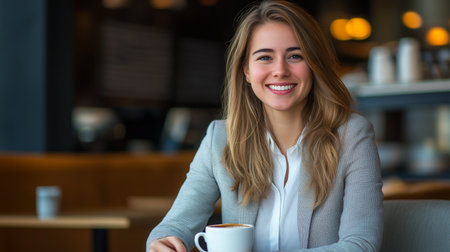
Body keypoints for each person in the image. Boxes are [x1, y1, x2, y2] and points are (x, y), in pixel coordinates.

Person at [147, 0, 383, 251]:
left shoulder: (352, 135)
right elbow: (177, 223)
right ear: (246, 70)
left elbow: (361, 244)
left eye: (295, 56)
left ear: (314, 65)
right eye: (265, 57)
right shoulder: (221, 138)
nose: (280, 70)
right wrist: (163, 240)